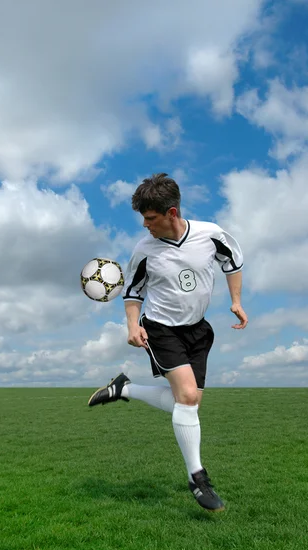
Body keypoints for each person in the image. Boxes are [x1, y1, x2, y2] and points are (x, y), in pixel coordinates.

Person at [88, 173, 248, 512]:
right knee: (187, 397)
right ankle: (197, 479)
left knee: (188, 404)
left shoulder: (210, 234)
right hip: (161, 328)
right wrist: (133, 325)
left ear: (171, 213)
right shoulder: (144, 250)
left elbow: (232, 262)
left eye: (151, 218)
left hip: (198, 330)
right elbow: (132, 292)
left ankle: (124, 389)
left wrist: (236, 300)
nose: (146, 226)